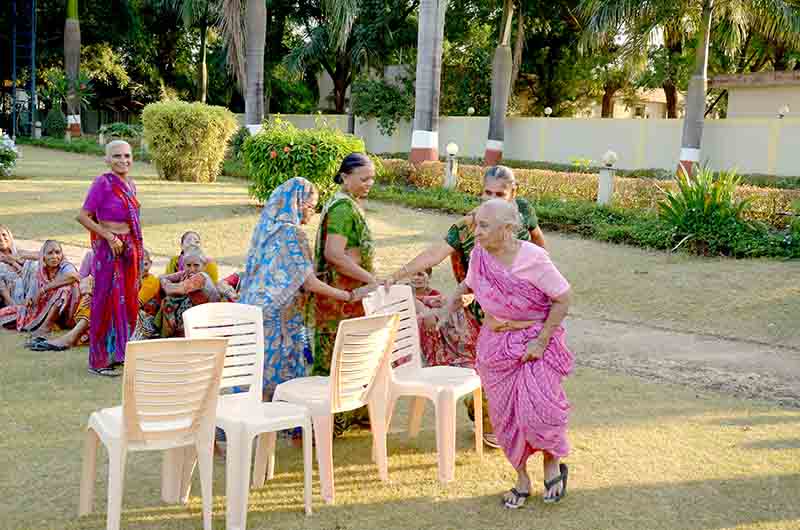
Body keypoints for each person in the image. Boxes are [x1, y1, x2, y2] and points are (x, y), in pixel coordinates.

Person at [389, 165, 546, 447]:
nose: (492, 198)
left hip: (522, 313)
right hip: (483, 314)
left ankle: (514, 424)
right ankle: (488, 422)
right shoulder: (468, 227)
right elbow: (435, 253)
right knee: (487, 367)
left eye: (500, 193)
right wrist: (395, 276)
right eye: (487, 193)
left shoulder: (523, 212)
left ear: (514, 194)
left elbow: (538, 241)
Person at [444, 199, 572, 508]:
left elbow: (563, 297)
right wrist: (450, 303)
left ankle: (551, 464)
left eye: (485, 226)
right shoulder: (478, 256)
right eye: (476, 224)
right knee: (505, 418)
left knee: (539, 410)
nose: (476, 231)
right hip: (495, 346)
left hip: (533, 345)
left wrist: (540, 341)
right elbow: (469, 285)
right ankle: (521, 478)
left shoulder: (534, 258)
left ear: (508, 229)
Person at [239, 177, 373, 403]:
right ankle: (286, 424)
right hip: (278, 316)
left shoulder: (267, 228)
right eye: (311, 206)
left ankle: (253, 422)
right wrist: (348, 295)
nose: (312, 213)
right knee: (281, 377)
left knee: (257, 373)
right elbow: (309, 283)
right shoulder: (293, 234)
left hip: (254, 310)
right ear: (297, 204)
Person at [313, 153, 378, 434]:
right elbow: (334, 254)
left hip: (348, 297)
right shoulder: (342, 208)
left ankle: (351, 416)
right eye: (364, 178)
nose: (369, 183)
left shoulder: (348, 204)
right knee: (336, 360)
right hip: (340, 300)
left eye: (372, 178)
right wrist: (371, 279)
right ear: (345, 177)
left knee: (352, 357)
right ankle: (327, 425)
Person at [77, 140, 144, 377]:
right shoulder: (102, 183)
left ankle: (119, 353)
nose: (123, 160)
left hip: (128, 249)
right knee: (105, 300)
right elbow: (83, 216)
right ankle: (98, 360)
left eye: (127, 155)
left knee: (127, 301)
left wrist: (134, 247)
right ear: (107, 159)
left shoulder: (131, 185)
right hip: (108, 249)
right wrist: (108, 237)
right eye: (117, 156)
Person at [0, 240, 80, 335]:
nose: (55, 256)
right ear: (43, 257)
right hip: (44, 310)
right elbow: (32, 297)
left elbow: (73, 276)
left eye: (58, 252)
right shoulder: (40, 271)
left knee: (64, 289)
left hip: (67, 312)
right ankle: (46, 322)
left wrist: (44, 289)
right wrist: (29, 301)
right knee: (6, 313)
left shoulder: (65, 265)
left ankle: (46, 326)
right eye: (50, 253)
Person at [27, 251, 95, 352]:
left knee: (96, 300)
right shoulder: (92, 255)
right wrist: (88, 292)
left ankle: (69, 338)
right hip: (85, 304)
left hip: (114, 304)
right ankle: (53, 329)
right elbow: (80, 279)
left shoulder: (120, 254)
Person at [412, 268, 479, 369]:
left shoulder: (436, 295)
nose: (416, 278)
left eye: (420, 274)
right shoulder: (407, 293)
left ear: (428, 277)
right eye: (413, 275)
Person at [157, 245, 220, 338]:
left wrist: (165, 283)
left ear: (204, 265)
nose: (192, 269)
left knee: (168, 301)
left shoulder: (200, 277)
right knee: (168, 300)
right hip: (194, 316)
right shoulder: (186, 273)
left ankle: (169, 336)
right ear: (184, 265)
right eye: (188, 265)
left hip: (206, 319)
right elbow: (162, 277)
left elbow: (170, 290)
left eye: (196, 265)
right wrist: (165, 281)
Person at [0, 225, 40, 308]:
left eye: (4, 235)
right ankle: (15, 307)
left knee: (34, 264)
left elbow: (42, 255)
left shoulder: (18, 253)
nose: (1, 238)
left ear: (10, 237)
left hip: (29, 293)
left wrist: (17, 260)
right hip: (12, 298)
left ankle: (30, 300)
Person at [131, 249, 162, 340]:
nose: (141, 269)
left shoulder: (151, 281)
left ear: (150, 264)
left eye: (145, 264)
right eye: (137, 264)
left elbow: (136, 304)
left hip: (147, 320)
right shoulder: (129, 279)